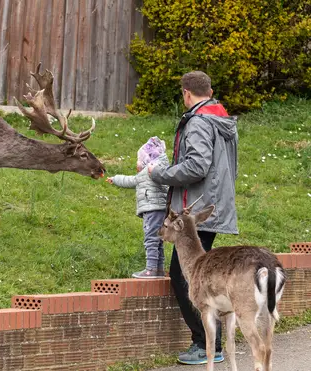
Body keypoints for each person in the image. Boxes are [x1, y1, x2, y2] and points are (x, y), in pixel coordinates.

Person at [148, 71, 238, 365]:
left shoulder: (199, 121)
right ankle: (212, 342)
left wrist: (159, 173)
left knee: (183, 275)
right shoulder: (221, 118)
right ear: (209, 90)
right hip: (214, 204)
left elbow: (196, 166)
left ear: (187, 93)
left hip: (197, 210)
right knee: (203, 276)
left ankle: (205, 344)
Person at [107, 137, 170, 278]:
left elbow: (131, 180)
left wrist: (115, 178)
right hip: (161, 209)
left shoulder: (149, 171)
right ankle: (159, 269)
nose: (138, 162)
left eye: (139, 159)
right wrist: (116, 178)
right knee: (158, 239)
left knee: (151, 239)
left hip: (152, 209)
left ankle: (151, 269)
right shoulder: (161, 169)